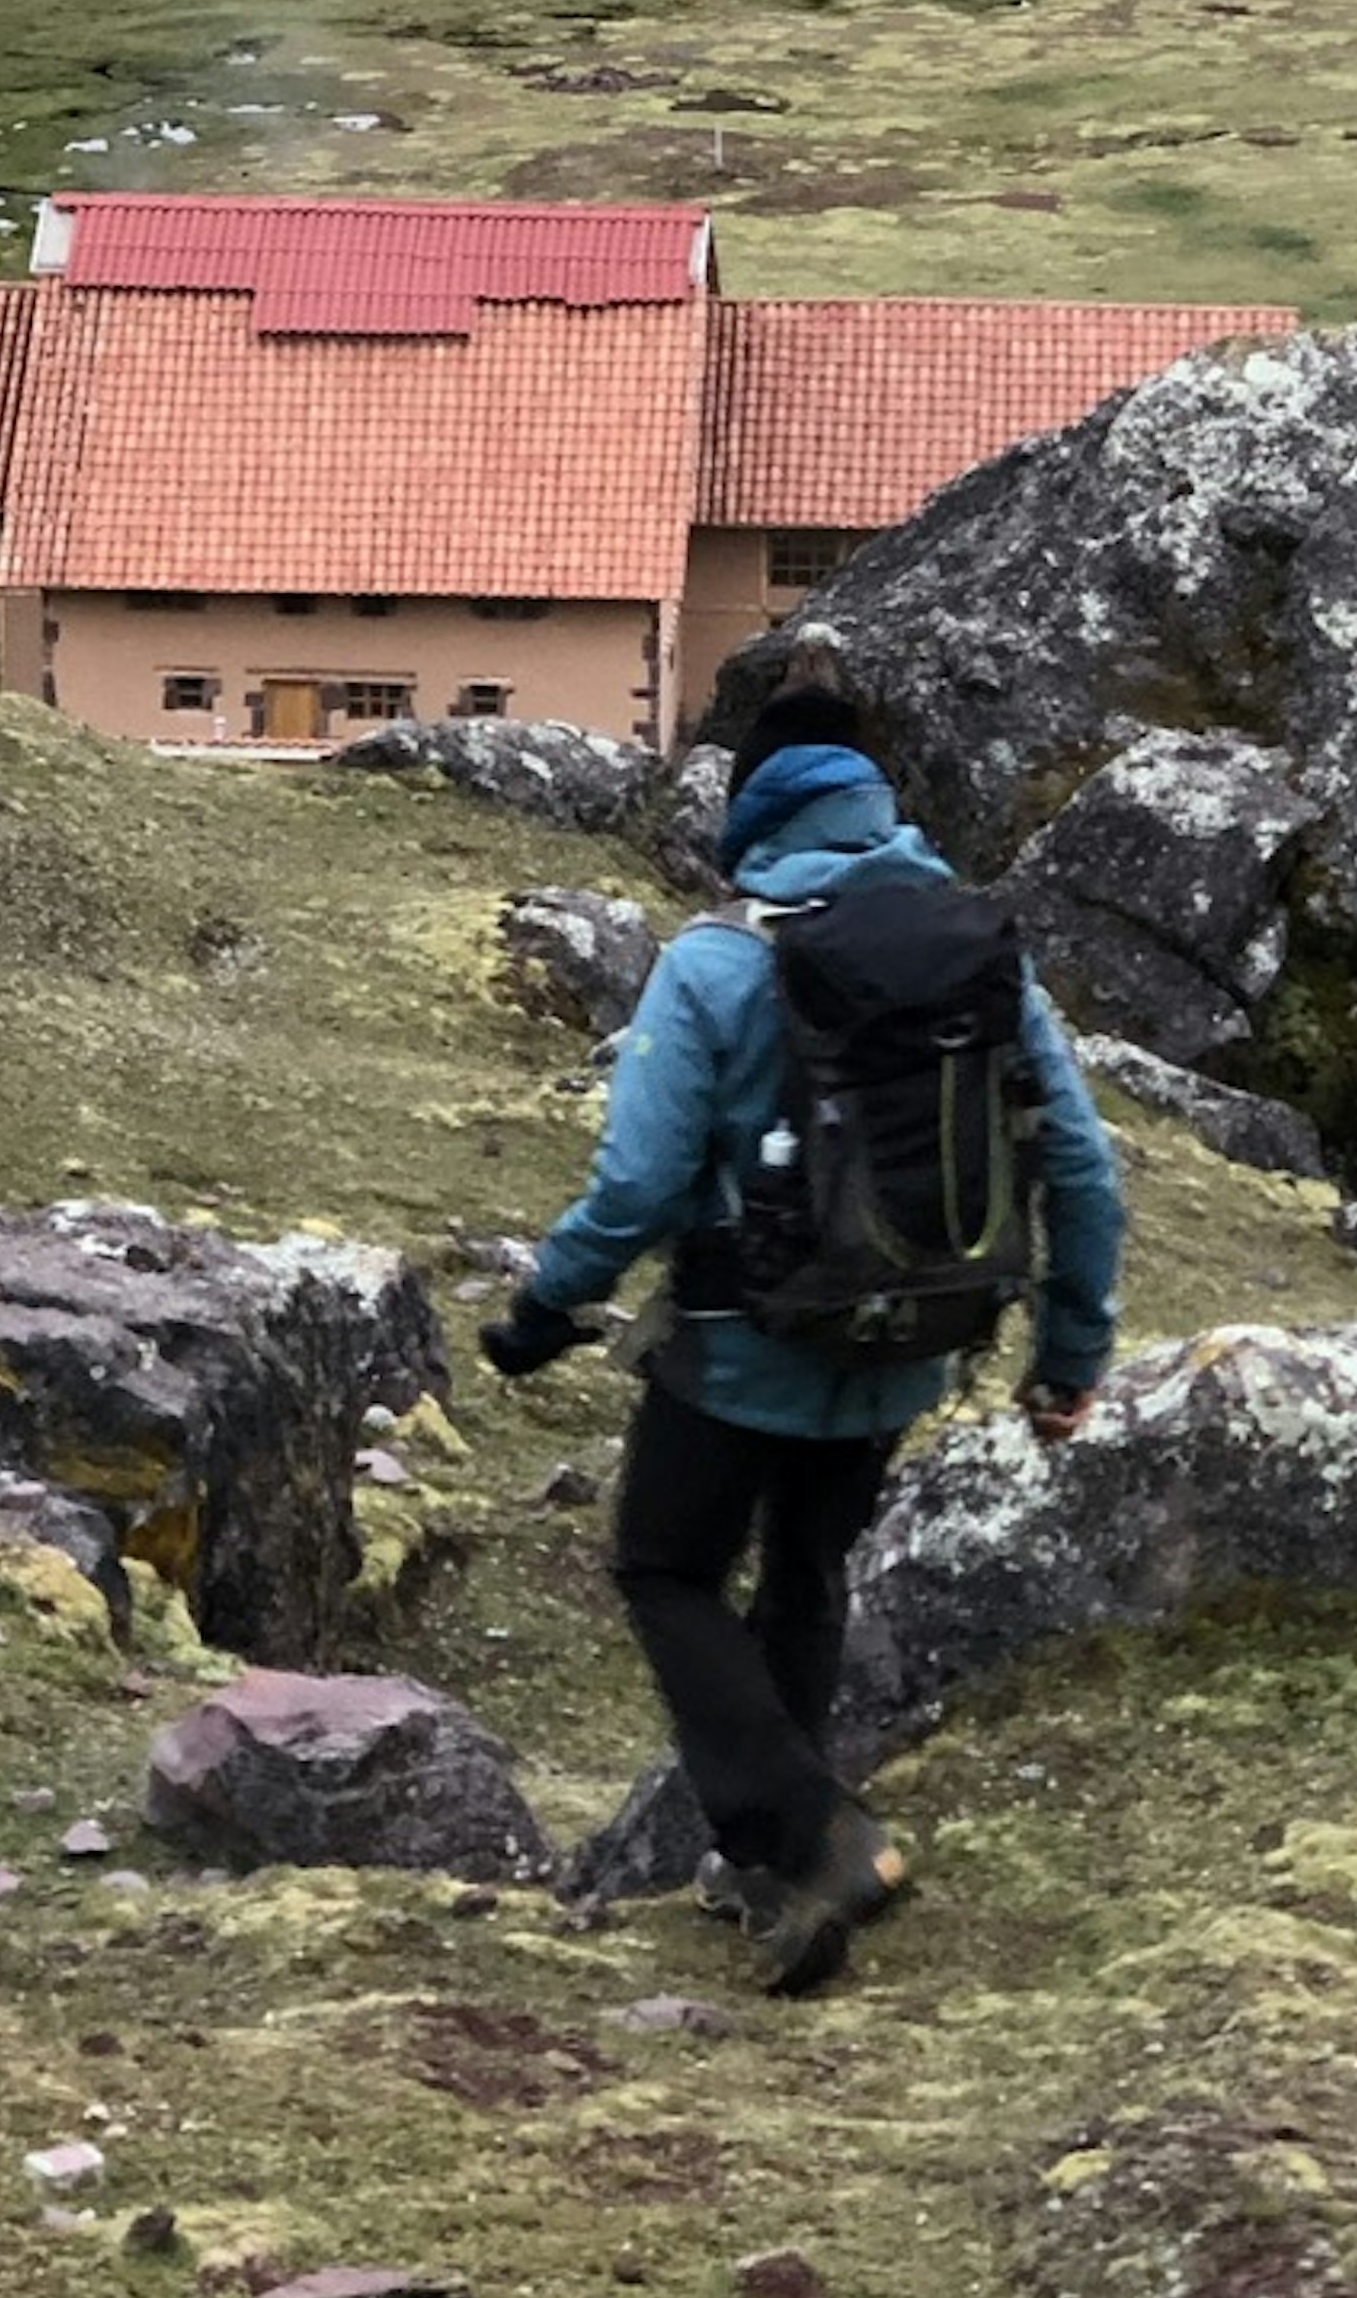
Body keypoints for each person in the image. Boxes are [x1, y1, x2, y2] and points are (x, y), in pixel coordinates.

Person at [477, 678, 1125, 1995]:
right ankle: (769, 1880)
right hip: (906, 1345)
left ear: (750, 817)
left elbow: (641, 1185)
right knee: (810, 1574)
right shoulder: (980, 948)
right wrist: (1067, 1361)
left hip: (740, 1342)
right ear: (878, 807)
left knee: (665, 1568)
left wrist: (547, 1306)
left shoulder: (718, 961)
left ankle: (817, 1834)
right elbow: (1085, 1170)